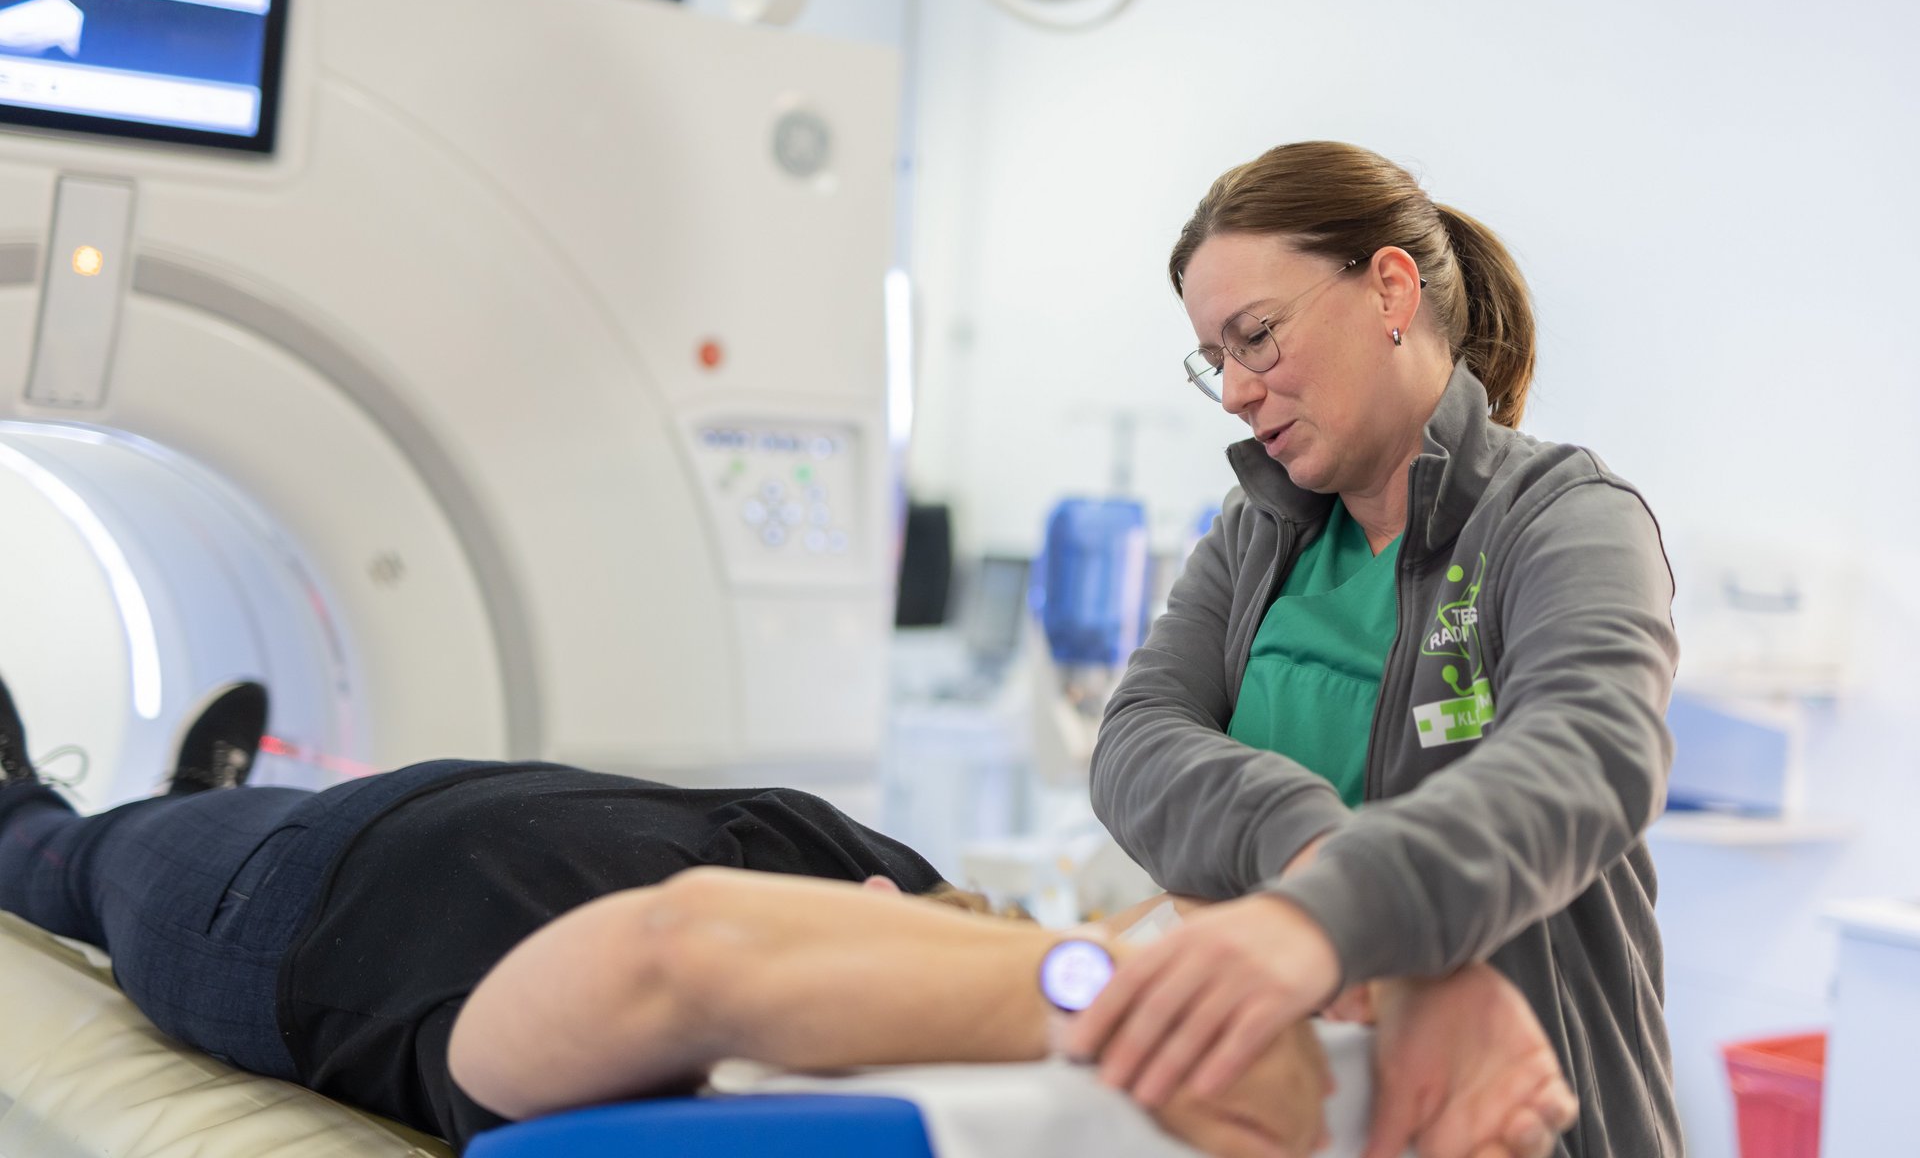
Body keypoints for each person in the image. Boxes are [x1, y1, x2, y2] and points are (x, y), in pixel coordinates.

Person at [0, 673, 1573, 1157]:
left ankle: (36, 807)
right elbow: (1205, 910)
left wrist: (1107, 995)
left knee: (66, 859)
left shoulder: (715, 1084)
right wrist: (1403, 963)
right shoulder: (970, 927)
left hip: (297, 902)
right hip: (512, 798)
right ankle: (188, 787)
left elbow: (689, 950)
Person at [1064, 141, 1680, 1157]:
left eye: (1256, 336)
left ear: (1390, 289)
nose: (1236, 390)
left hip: (1514, 1120)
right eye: (1215, 359)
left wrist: (1327, 913)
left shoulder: (1560, 516)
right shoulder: (1259, 534)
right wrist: (1303, 840)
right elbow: (1134, 742)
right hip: (1308, 1114)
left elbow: (1588, 758)